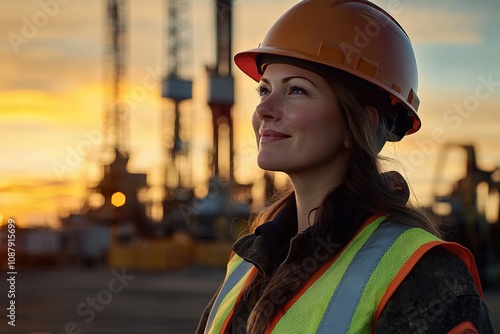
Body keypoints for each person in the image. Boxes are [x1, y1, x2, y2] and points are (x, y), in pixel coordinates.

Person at [197, 0, 495, 333]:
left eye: (296, 90)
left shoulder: (422, 275)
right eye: (264, 89)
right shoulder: (247, 261)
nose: (264, 108)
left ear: (362, 126)